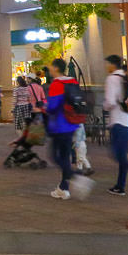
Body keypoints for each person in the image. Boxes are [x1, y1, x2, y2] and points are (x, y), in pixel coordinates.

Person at [46, 58, 79, 200]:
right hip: (72, 123)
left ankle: (73, 177)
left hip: (59, 125)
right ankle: (63, 189)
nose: (50, 70)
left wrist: (44, 107)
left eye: (51, 67)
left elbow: (52, 107)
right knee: (66, 156)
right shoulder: (73, 82)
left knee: (55, 156)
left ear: (56, 68)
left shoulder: (57, 84)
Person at [103, 54, 128, 196]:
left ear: (112, 64)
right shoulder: (126, 77)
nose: (106, 67)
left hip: (117, 120)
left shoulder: (111, 79)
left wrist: (105, 106)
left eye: (107, 64)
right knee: (121, 154)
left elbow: (110, 102)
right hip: (127, 120)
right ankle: (120, 185)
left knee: (116, 154)